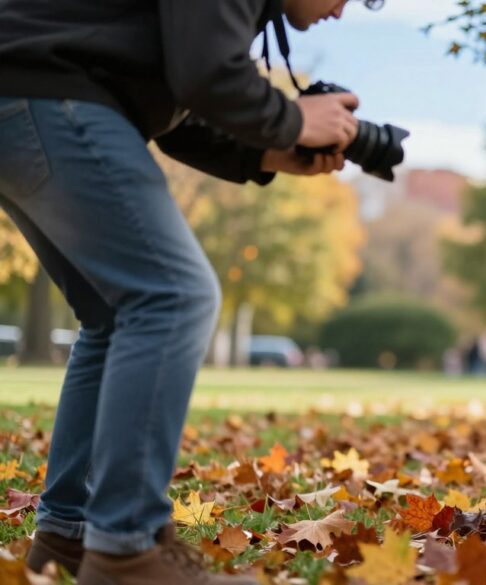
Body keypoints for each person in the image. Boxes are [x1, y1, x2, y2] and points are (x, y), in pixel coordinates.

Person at [0, 0, 382, 582]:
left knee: (108, 314)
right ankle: (125, 550)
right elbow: (206, 74)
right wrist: (294, 119)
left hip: (27, 93)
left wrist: (267, 149)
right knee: (174, 294)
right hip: (48, 93)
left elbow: (178, 105)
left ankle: (68, 536)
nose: (345, 7)